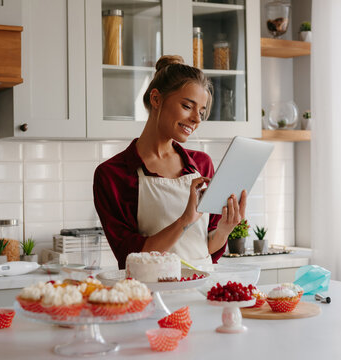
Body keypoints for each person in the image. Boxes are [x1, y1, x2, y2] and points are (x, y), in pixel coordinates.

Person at [93, 55, 247, 269]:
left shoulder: (201, 164)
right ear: (156, 99)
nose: (197, 119)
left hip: (202, 292)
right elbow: (128, 256)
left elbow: (205, 247)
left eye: (201, 112)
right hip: (150, 295)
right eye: (187, 106)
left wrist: (224, 229)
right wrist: (184, 221)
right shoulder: (113, 174)